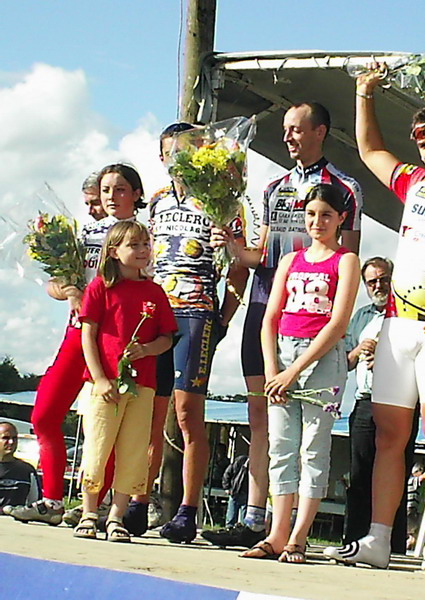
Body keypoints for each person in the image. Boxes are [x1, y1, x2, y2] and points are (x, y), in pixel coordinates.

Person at [324, 65, 425, 573]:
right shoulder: (414, 182)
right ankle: (378, 537)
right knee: (390, 435)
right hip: (397, 324)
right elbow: (370, 149)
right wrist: (364, 93)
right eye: (423, 142)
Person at [202, 102, 362, 549]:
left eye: (296, 129)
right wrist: (232, 245)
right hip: (268, 302)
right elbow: (261, 255)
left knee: (310, 441)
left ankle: (291, 531)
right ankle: (258, 518)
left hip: (316, 322)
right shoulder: (274, 187)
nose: (288, 136)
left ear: (320, 132)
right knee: (262, 414)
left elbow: (346, 257)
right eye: (286, 129)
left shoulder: (345, 188)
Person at [132, 122, 248, 543]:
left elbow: (239, 265)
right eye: (170, 152)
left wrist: (224, 318)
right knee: (149, 410)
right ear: (162, 157)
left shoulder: (223, 199)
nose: (176, 159)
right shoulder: (158, 201)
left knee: (186, 413)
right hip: (156, 311)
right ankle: (138, 501)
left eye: (185, 151)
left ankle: (187, 510)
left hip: (196, 311)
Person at [10, 165, 143, 526]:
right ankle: (52, 500)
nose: (111, 196)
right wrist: (69, 290)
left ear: (135, 194)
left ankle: (95, 506)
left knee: (107, 425)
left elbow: (146, 284)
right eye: (106, 189)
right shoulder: (86, 233)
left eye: (120, 189)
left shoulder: (143, 237)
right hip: (79, 333)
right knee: (44, 415)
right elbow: (57, 282)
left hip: (116, 339)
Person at [240, 183, 359, 563]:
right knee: (280, 446)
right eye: (310, 214)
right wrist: (272, 368)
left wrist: (294, 370)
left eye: (326, 215)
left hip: (321, 359)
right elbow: (270, 317)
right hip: (283, 354)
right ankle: (276, 534)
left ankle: (299, 536)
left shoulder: (346, 261)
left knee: (313, 448)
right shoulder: (291, 260)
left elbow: (338, 322)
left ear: (341, 218)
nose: (317, 222)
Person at [72, 221, 177, 542]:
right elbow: (88, 335)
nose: (143, 251)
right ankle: (89, 512)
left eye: (146, 244)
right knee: (97, 448)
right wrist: (100, 379)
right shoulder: (100, 288)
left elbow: (167, 338)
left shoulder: (155, 292)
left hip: (142, 385)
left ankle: (117, 516)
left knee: (134, 452)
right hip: (104, 385)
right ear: (115, 251)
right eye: (134, 245)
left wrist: (146, 349)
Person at [342, 256, 419, 554]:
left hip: (401, 403)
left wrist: (387, 359)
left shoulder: (408, 312)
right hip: (365, 401)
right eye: (372, 281)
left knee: (397, 473)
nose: (378, 286)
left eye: (383, 279)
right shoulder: (360, 317)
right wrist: (359, 351)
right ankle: (353, 540)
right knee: (360, 474)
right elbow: (344, 362)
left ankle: (394, 545)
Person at [0, 422, 40, 510]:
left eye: (14, 438)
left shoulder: (27, 470)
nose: (11, 442)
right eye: (5, 438)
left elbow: (35, 504)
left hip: (15, 518)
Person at [222, 454, 249, 527]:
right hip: (235, 492)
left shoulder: (255, 465)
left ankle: (242, 529)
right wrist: (226, 487)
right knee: (232, 515)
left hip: (245, 493)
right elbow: (227, 474)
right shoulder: (239, 462)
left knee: (244, 518)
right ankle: (230, 528)